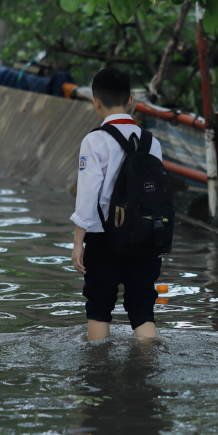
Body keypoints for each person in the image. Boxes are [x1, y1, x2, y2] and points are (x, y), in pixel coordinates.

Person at [71, 68, 163, 341]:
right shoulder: (151, 142)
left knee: (99, 308)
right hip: (145, 238)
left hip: (104, 238)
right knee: (143, 309)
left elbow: (87, 195)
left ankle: (100, 374)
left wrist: (78, 243)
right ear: (131, 100)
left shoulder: (95, 140)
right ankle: (147, 368)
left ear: (95, 101)